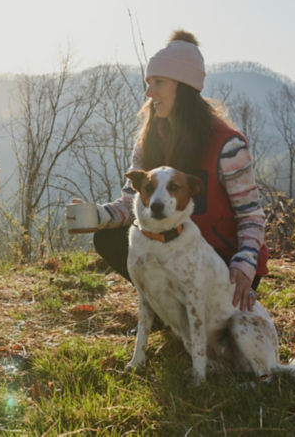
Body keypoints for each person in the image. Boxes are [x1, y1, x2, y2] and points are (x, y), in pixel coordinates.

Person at [90, 30, 268, 311]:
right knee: (109, 237)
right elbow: (130, 204)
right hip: (174, 253)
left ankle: (186, 315)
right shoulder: (147, 140)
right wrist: (96, 216)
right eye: (148, 83)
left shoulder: (227, 145)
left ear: (183, 87)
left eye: (158, 82)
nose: (149, 92)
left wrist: (245, 264)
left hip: (220, 262)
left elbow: (251, 216)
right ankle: (169, 315)